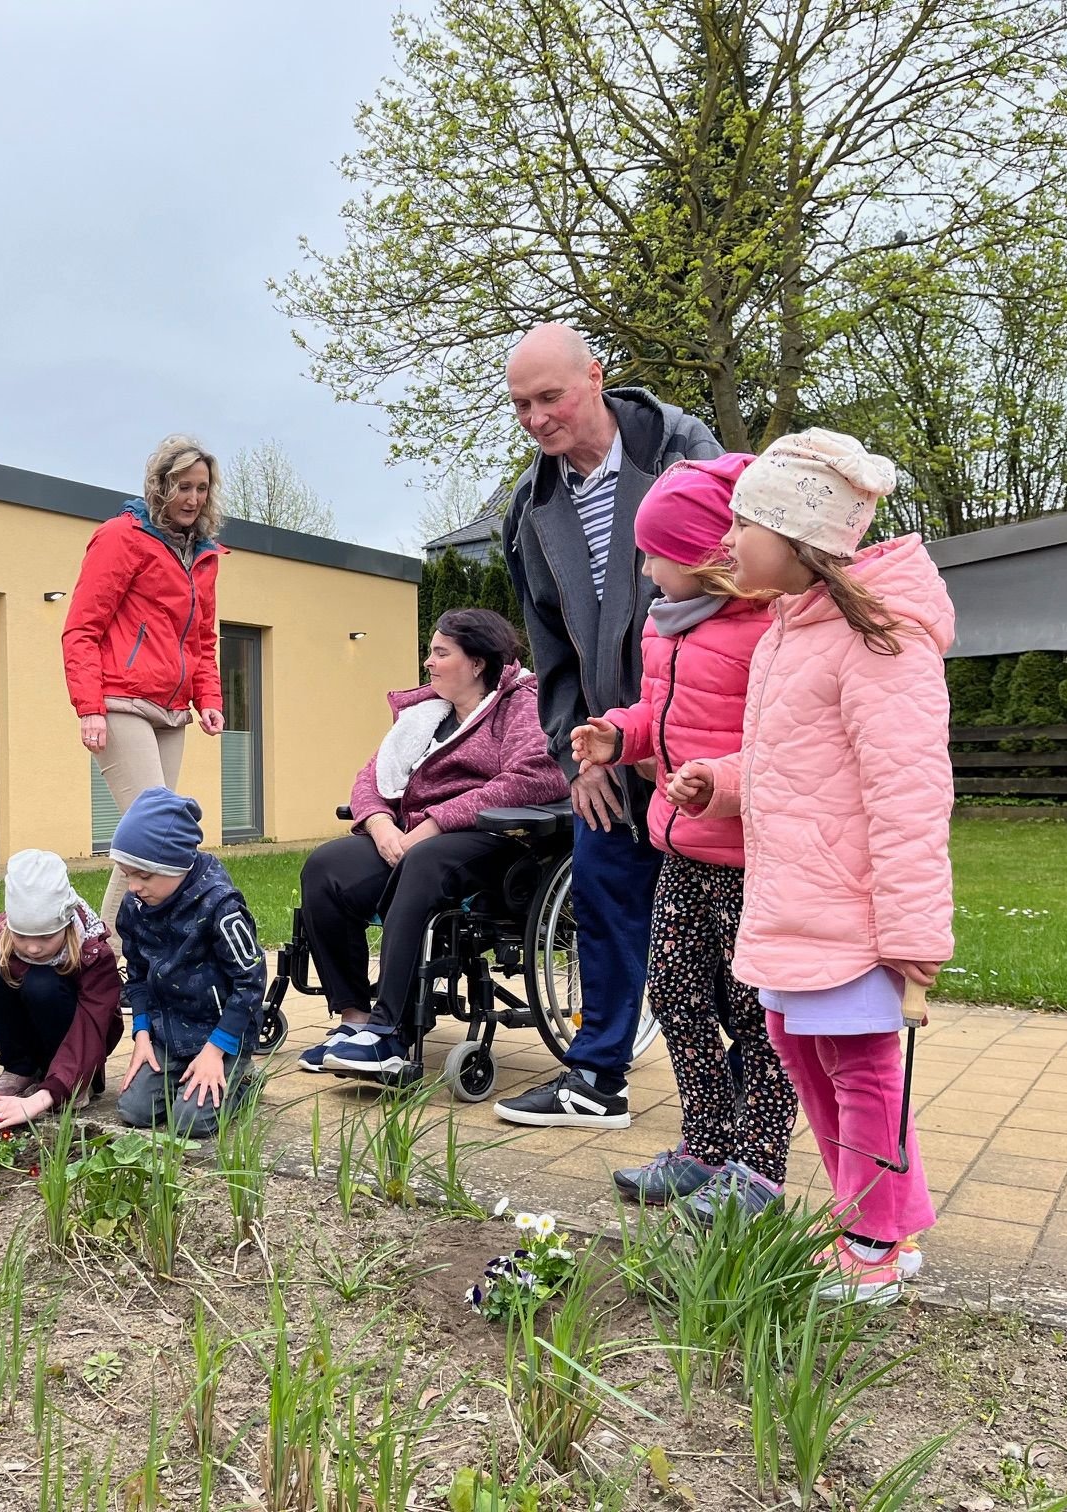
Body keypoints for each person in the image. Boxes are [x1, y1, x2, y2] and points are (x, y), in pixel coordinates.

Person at [666, 429, 952, 1302]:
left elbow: (908, 792)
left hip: (856, 910)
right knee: (797, 1045)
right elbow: (792, 760)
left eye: (745, 524)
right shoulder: (790, 634)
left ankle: (869, 1241)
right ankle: (883, 1222)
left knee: (862, 1066)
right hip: (794, 899)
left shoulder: (879, 641)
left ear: (800, 537)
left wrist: (910, 936)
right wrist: (719, 781)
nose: (728, 543)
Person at [497, 323, 723, 1130]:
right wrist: (575, 756)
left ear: (595, 377)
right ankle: (597, 1080)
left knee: (715, 923)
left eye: (549, 397)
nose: (535, 418)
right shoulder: (531, 508)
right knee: (601, 893)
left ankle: (749, 1098)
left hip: (705, 738)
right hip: (606, 744)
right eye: (521, 404)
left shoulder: (683, 452)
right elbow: (549, 649)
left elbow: (738, 592)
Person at [567, 456, 798, 1214]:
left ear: (710, 556)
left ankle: (758, 1168)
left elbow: (786, 745)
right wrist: (618, 736)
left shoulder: (768, 631)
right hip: (681, 850)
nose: (644, 567)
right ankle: (702, 1148)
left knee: (760, 1019)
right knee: (674, 992)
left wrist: (719, 783)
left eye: (656, 553)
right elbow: (659, 716)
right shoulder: (666, 631)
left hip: (752, 861)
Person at [298, 610, 568, 1079]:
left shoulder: (521, 704)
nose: (429, 662)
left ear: (478, 662)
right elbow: (371, 777)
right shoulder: (426, 714)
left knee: (423, 861)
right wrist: (381, 826)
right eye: (430, 651)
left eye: (441, 653)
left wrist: (437, 822)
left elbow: (533, 778)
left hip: (494, 840)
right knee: (327, 867)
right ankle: (356, 1019)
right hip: (410, 837)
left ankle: (391, 1036)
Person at [62, 436, 228, 932]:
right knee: (152, 830)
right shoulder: (121, 536)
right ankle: (109, 950)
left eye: (201, 488)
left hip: (172, 709)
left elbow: (202, 636)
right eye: (182, 487)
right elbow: (81, 628)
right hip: (120, 701)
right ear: (160, 485)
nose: (193, 499)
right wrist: (89, 706)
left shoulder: (203, 553)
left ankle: (105, 944)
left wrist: (210, 697)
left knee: (145, 837)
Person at [111, 788, 267, 1139]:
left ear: (177, 864)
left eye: (144, 875)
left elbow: (251, 981)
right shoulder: (134, 907)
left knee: (190, 1124)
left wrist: (215, 1050)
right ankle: (180, 1075)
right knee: (133, 1111)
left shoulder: (221, 907)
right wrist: (142, 1034)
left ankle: (244, 1079)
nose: (134, 886)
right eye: (127, 874)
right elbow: (135, 976)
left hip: (220, 1034)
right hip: (168, 1033)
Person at [0, 849, 122, 1128]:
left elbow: (92, 1029)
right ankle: (20, 1070)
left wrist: (44, 1098)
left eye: (47, 937)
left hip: (81, 1048)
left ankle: (71, 1085)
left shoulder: (94, 953)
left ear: (67, 923)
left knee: (42, 983)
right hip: (33, 1036)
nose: (33, 947)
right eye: (22, 936)